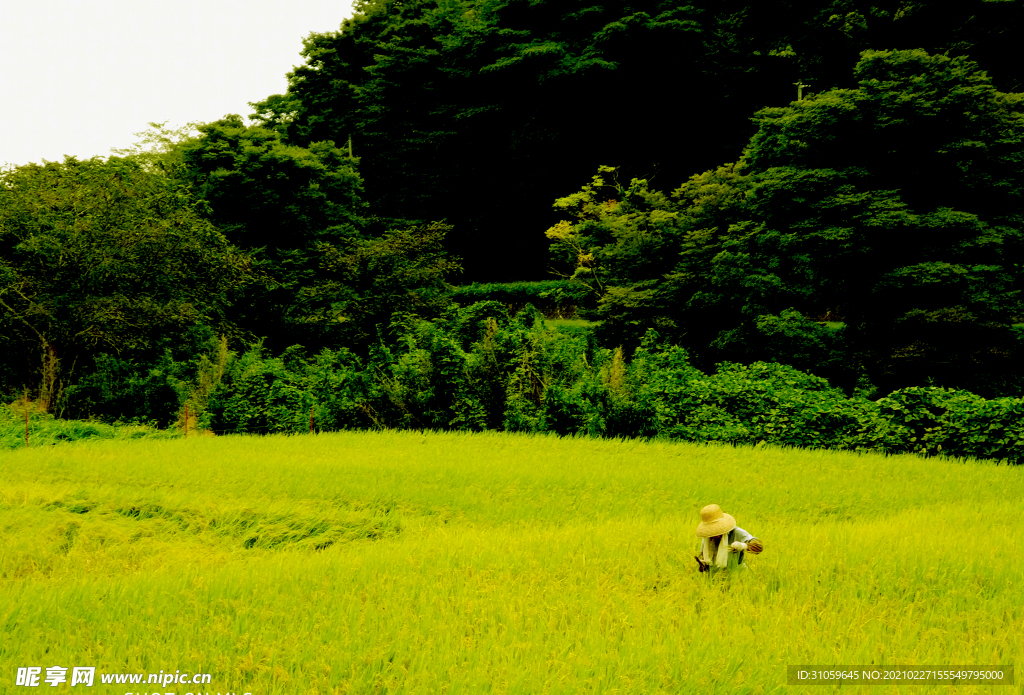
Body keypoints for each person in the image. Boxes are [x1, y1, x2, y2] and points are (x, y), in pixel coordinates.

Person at [694, 503, 763, 573]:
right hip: (714, 576)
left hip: (737, 574)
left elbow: (759, 547)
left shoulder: (736, 532)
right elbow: (703, 555)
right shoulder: (707, 537)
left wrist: (743, 546)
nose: (714, 535)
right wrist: (703, 563)